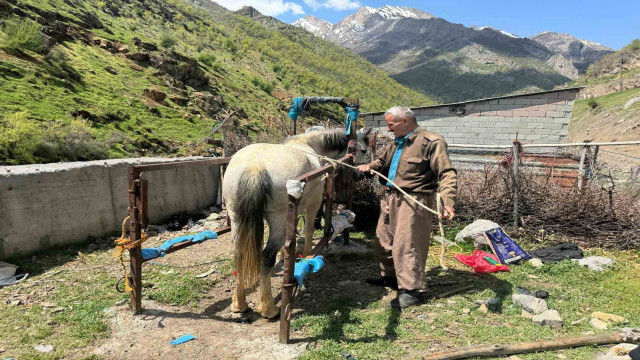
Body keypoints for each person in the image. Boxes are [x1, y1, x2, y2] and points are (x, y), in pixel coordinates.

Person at [356, 106, 457, 309]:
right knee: (383, 240)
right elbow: (381, 161)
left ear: (405, 121)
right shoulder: (398, 141)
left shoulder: (432, 141)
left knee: (407, 244)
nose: (388, 128)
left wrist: (448, 202)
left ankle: (412, 291)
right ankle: (391, 278)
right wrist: (368, 169)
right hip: (390, 197)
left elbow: (447, 173)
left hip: (413, 200)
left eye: (390, 124)